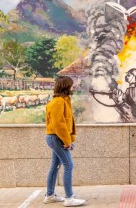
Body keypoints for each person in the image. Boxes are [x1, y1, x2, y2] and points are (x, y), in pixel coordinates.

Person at [44, 76, 86, 206]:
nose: (73, 87)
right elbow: (59, 125)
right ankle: (69, 198)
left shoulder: (62, 100)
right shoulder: (58, 102)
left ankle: (50, 195)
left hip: (55, 137)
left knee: (55, 166)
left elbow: (64, 123)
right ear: (66, 86)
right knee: (69, 165)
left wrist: (68, 139)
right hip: (57, 137)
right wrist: (67, 141)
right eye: (71, 85)